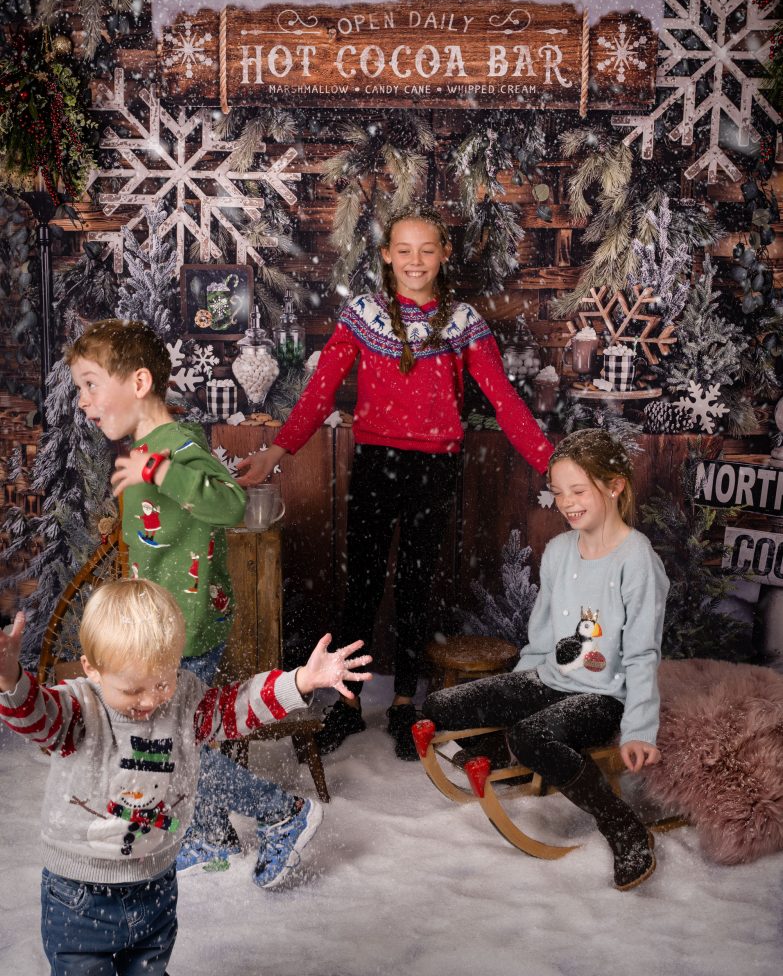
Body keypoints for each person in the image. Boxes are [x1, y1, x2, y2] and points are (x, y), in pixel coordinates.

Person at [236, 204, 553, 760]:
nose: (415, 261)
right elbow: (321, 390)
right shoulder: (363, 314)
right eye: (404, 250)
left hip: (436, 469)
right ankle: (348, 701)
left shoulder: (463, 322)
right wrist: (278, 450)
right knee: (361, 585)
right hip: (376, 462)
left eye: (427, 250)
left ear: (444, 254)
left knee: (416, 586)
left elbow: (503, 398)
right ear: (386, 256)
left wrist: (550, 463)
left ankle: (406, 701)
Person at [0, 579, 371, 975]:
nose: (149, 700)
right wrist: (10, 680)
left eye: (163, 682)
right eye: (132, 690)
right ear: (93, 668)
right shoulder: (79, 707)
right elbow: (36, 717)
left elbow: (238, 705)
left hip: (156, 884)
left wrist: (299, 681)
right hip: (80, 897)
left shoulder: (184, 703)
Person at [65, 319, 318, 881]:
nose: (83, 400)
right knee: (173, 739)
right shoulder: (145, 448)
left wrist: (157, 472)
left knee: (173, 748)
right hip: (157, 627)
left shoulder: (177, 445)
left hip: (187, 626)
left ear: (138, 383)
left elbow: (228, 504)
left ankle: (283, 812)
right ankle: (208, 835)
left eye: (90, 384)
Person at [423, 428, 669, 890]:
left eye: (578, 491)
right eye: (558, 492)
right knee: (442, 705)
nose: (567, 503)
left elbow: (642, 654)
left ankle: (622, 826)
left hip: (603, 696)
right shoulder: (558, 552)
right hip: (550, 678)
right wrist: (516, 694)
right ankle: (509, 746)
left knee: (531, 735)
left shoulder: (637, 560)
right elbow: (540, 640)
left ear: (614, 486)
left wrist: (638, 729)